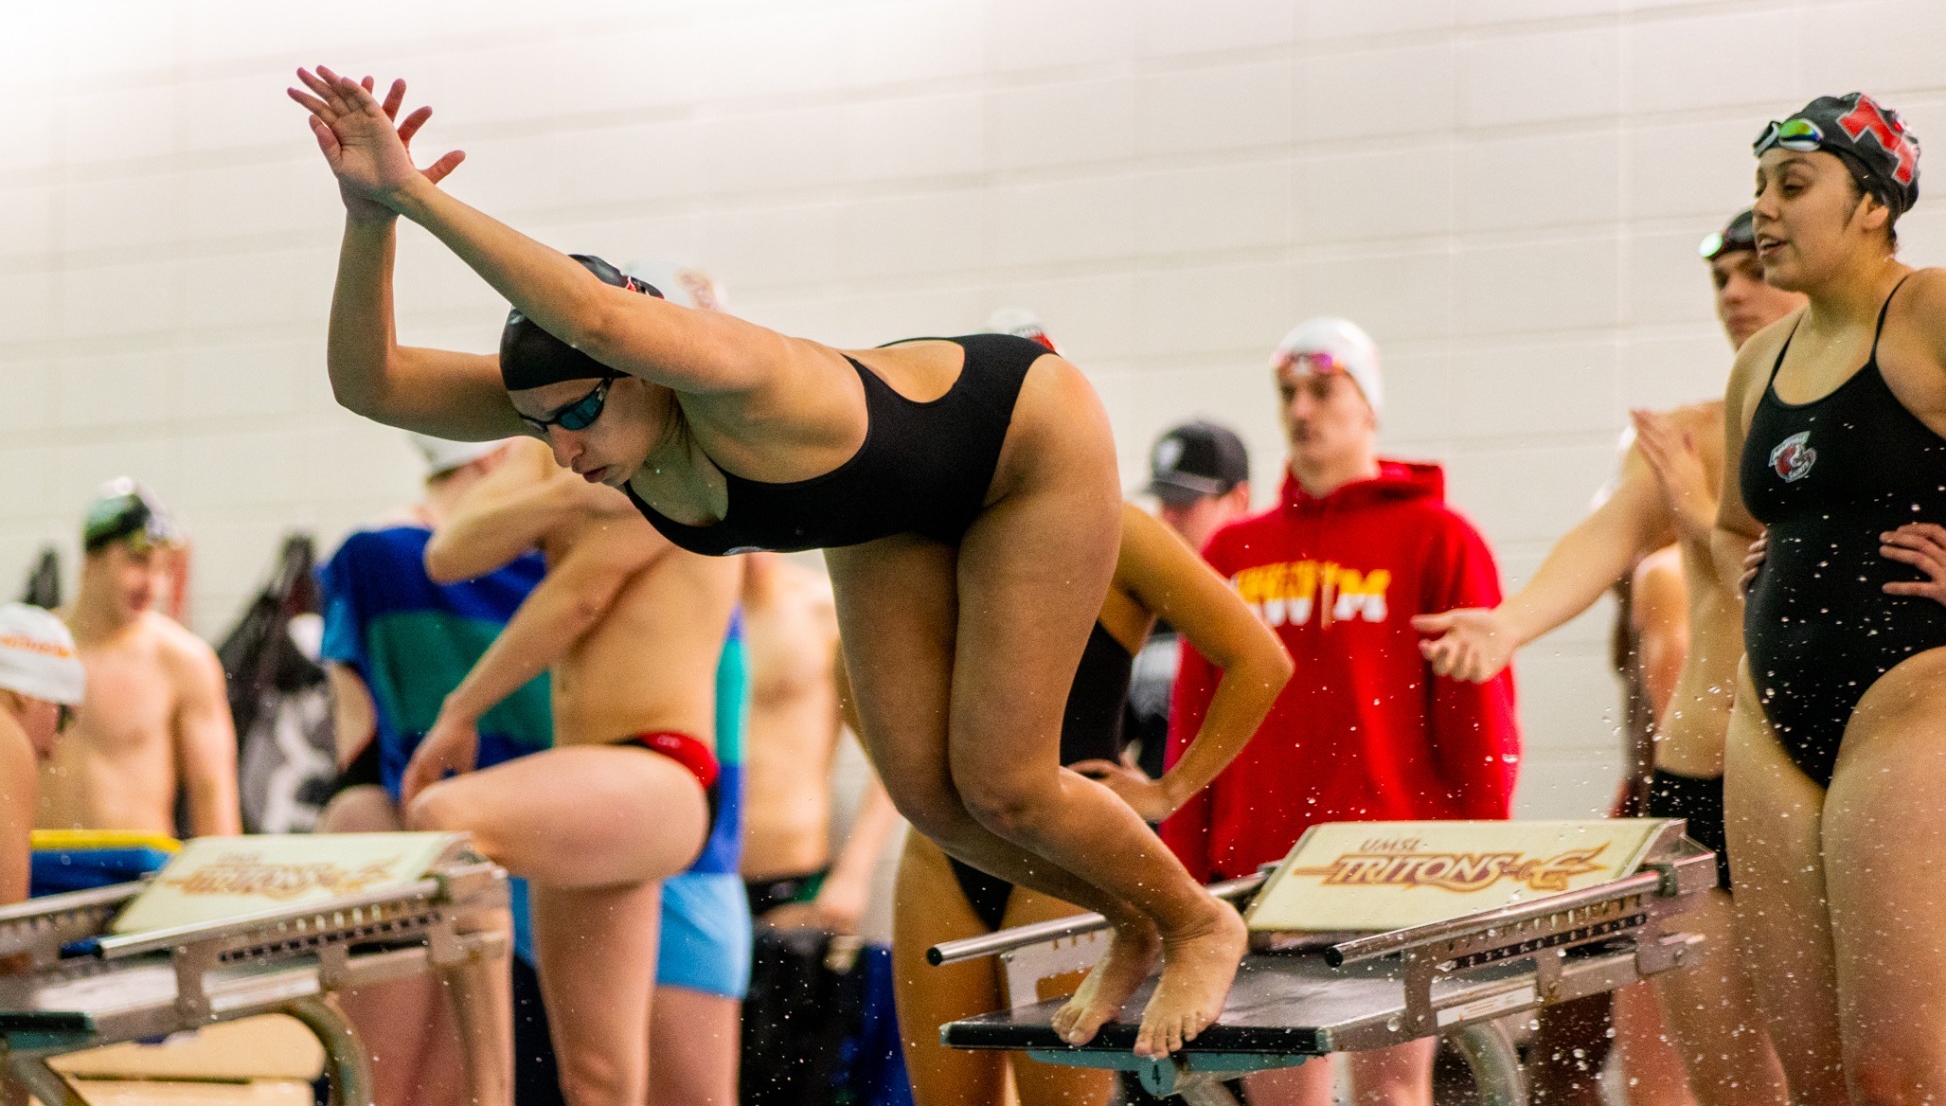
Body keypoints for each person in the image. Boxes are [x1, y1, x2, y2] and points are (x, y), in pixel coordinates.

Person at [288, 67, 1246, 1059]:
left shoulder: (738, 375)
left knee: (1002, 780)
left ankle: (1196, 921)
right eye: (541, 432)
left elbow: (603, 316)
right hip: (885, 511)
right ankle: (1133, 919)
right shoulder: (589, 402)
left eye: (579, 417)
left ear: (647, 365)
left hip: (1019, 444)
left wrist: (418, 193)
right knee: (930, 797)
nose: (565, 449)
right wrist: (368, 221)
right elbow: (373, 382)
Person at [1411, 209, 1800, 1106]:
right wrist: (1509, 624)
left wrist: (1700, 511)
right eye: (1720, 278)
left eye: (1754, 270)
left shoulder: (1874, 428)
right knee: (1723, 1083)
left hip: (1819, 772)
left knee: (1846, 1073)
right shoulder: (1688, 434)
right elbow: (1609, 533)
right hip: (1700, 780)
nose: (1734, 293)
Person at [1712, 91, 1946, 1105]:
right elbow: (1730, 525)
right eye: (1758, 188)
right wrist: (1767, 563)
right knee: (1821, 1084)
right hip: (1771, 720)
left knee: (1896, 1080)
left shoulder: (1933, 310)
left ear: (1873, 202)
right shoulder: (1758, 361)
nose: (1765, 210)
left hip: (1919, 696)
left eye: (1793, 186)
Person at [1166, 317, 1518, 1106]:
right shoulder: (1232, 555)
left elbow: (1480, 721)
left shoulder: (1440, 539)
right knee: (1280, 1094)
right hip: (1257, 875)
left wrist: (1478, 869)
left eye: (1325, 390)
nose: (1301, 409)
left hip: (1393, 869)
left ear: (1369, 406)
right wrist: (1183, 877)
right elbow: (1192, 727)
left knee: (1393, 1093)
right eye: (1288, 392)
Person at [893, 494, 1290, 1106]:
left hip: (1060, 852)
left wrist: (1169, 791)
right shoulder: (919, 528)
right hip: (940, 851)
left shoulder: (1114, 527)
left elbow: (1260, 660)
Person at [412, 436, 747, 1106]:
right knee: (598, 1081)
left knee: (445, 818)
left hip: (661, 765)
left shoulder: (682, 462)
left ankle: (488, 1092)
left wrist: (459, 710)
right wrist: (565, 490)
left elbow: (577, 597)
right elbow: (448, 555)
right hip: (596, 787)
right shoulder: (561, 458)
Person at [317, 432, 543, 1106]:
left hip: (387, 829)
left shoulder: (365, 559)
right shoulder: (543, 563)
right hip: (499, 854)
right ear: (492, 461)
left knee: (376, 1086)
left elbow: (353, 728)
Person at [37, 480, 239, 838]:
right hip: (38, 879)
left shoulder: (181, 661)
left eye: (164, 568)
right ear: (91, 558)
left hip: (135, 877)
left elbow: (212, 795)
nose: (153, 585)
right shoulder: (27, 652)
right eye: (138, 561)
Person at [739, 551, 897, 935]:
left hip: (791, 878)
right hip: (688, 873)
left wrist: (853, 874)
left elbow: (894, 759)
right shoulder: (683, 616)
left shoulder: (821, 610)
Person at [1127, 419, 1254, 779]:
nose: (1167, 517)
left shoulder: (1272, 607)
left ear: (1238, 500)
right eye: (1164, 500)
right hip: (1163, 831)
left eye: (1185, 502)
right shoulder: (1145, 612)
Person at [1, 605, 85, 908]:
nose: (52, 748)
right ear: (26, 692)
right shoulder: (5, 736)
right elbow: (7, 932)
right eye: (61, 717)